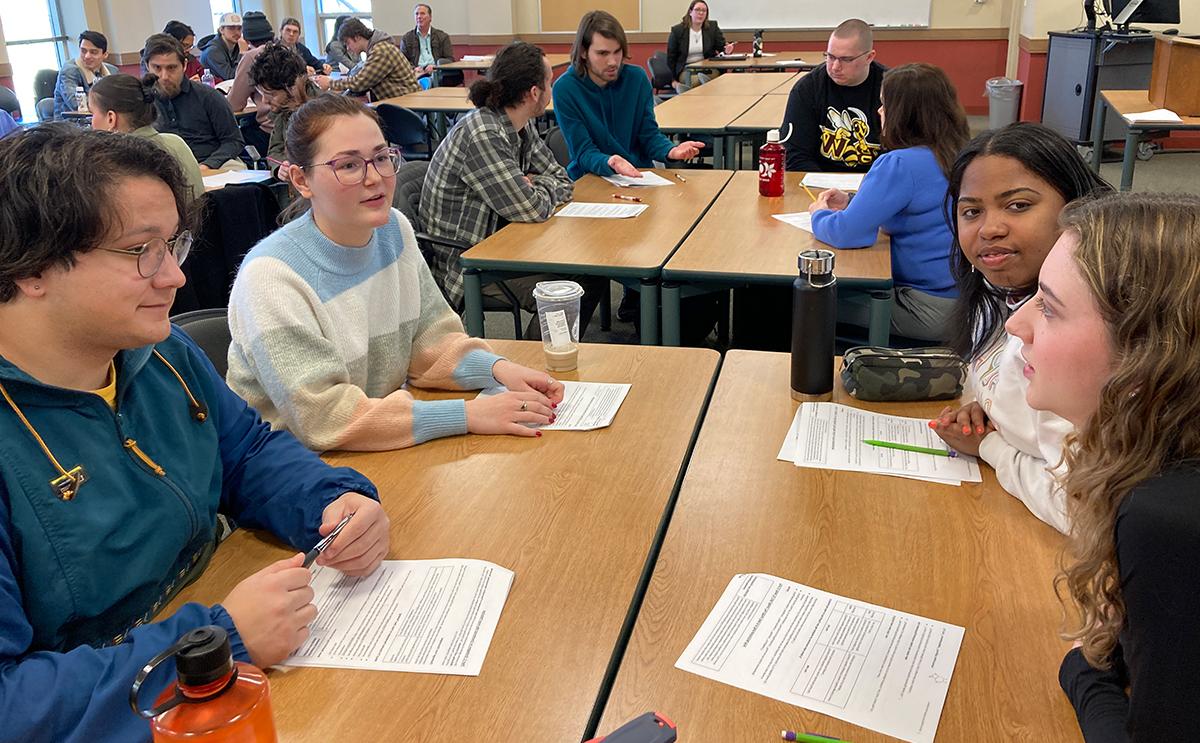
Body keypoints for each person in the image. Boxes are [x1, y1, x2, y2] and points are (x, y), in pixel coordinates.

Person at [0, 123, 389, 741]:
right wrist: (217, 639)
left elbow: (247, 454)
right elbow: (12, 703)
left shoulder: (160, 354)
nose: (176, 278)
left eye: (173, 247)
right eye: (140, 252)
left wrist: (330, 501)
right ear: (31, 267)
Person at [226, 95, 566, 451]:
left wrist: (497, 370)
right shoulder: (271, 278)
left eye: (381, 158)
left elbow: (428, 341)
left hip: (372, 448)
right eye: (349, 166)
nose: (375, 178)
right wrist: (467, 415)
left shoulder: (393, 231)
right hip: (292, 470)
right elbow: (325, 417)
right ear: (301, 179)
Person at [1003, 192, 1200, 740]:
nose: (1018, 326)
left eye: (1048, 306)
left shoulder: (1165, 516)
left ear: (1146, 352)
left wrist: (1085, 676)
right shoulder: (1162, 459)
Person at [930, 122, 1111, 533]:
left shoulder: (1086, 336)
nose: (989, 228)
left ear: (1077, 207)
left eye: (1018, 206)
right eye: (971, 211)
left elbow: (1085, 510)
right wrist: (987, 408)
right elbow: (999, 379)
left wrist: (991, 445)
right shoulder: (995, 294)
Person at [421, 41, 604, 334]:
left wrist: (535, 184)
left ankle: (543, 355)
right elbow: (531, 208)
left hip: (508, 242)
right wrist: (533, 189)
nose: (551, 89)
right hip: (470, 261)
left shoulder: (520, 123)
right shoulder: (483, 133)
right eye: (549, 83)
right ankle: (536, 364)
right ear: (534, 93)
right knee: (576, 286)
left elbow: (562, 181)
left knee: (592, 269)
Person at [806, 63, 969, 342]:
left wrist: (818, 215)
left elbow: (849, 233)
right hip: (962, 302)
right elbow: (913, 205)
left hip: (922, 307)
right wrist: (854, 201)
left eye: (884, 105)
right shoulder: (958, 153)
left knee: (796, 299)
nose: (879, 112)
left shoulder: (899, 163)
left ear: (904, 113)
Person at [552, 10, 704, 181]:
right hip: (590, 178)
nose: (612, 62)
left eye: (617, 52)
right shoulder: (565, 88)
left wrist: (670, 150)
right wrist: (610, 162)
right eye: (603, 53)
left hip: (638, 176)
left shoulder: (636, 79)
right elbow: (583, 152)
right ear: (583, 52)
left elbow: (648, 135)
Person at [780, 18, 885, 173]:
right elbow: (794, 154)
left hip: (875, 184)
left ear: (869, 57)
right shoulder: (808, 88)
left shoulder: (893, 89)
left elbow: (904, 154)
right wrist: (825, 188)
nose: (835, 67)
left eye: (846, 59)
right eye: (830, 56)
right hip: (819, 182)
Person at [89, 73, 205, 200]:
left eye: (92, 113)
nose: (91, 122)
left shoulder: (117, 161)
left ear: (111, 118)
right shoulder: (176, 141)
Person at [145, 34, 246, 174]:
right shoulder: (140, 102)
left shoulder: (209, 96)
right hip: (163, 170)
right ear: (147, 66)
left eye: (171, 68)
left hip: (212, 163)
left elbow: (233, 141)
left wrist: (208, 165)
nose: (164, 76)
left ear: (184, 65)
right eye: (157, 68)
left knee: (239, 175)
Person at [250, 41, 321, 177]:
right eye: (262, 94)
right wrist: (280, 167)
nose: (264, 101)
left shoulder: (324, 112)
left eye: (271, 94)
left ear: (294, 87)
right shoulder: (282, 111)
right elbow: (273, 152)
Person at [312, 19, 420, 102]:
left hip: (405, 107)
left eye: (348, 43)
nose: (348, 48)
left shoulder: (381, 51)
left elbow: (359, 83)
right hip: (402, 102)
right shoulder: (377, 48)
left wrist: (330, 82)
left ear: (357, 37)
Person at [225, 12, 277, 156]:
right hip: (294, 128)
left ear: (246, 38)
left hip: (270, 132)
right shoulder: (285, 51)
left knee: (230, 140)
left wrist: (242, 53)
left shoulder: (252, 56)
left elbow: (234, 105)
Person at [666, 0, 734, 92]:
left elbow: (721, 47)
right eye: (697, 10)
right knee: (698, 82)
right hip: (687, 70)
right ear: (690, 12)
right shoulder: (678, 31)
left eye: (704, 11)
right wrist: (673, 80)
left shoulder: (712, 27)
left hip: (708, 68)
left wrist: (727, 50)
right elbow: (671, 57)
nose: (701, 13)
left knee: (708, 80)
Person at [52, 30, 118, 119]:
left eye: (93, 52)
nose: (87, 56)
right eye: (83, 51)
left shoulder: (112, 71)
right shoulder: (69, 71)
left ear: (105, 55)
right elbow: (77, 105)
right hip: (71, 125)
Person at [400, 4, 455, 80]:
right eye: (417, 14)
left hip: (437, 71)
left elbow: (450, 59)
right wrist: (414, 69)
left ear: (430, 17)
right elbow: (402, 62)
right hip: (416, 73)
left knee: (436, 79)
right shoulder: (407, 38)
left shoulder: (442, 37)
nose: (419, 16)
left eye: (422, 13)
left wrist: (436, 66)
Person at [199, 12, 246, 82]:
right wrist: (242, 53)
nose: (237, 33)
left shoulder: (237, 45)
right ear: (221, 30)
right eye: (232, 28)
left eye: (239, 28)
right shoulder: (212, 51)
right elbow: (231, 76)